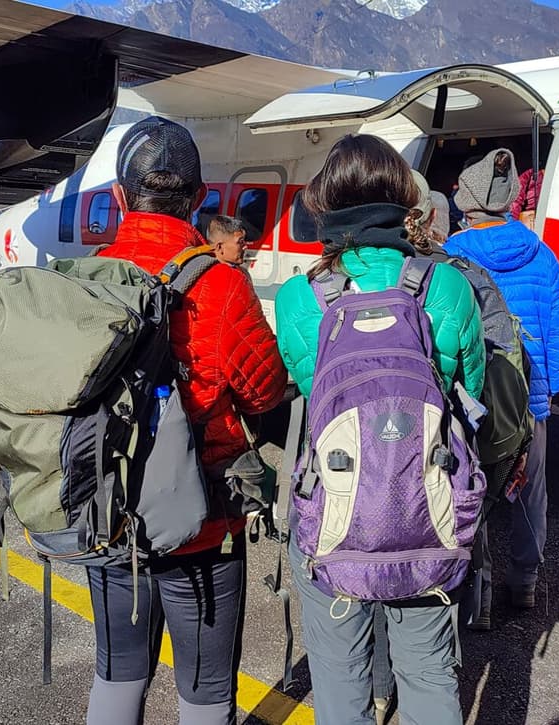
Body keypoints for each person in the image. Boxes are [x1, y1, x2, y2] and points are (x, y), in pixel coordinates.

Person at [274, 134, 485, 725]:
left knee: (339, 681)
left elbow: (310, 388)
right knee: (428, 673)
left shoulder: (300, 298)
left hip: (336, 513)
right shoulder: (444, 286)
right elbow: (474, 387)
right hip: (426, 508)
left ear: (325, 202)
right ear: (402, 197)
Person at [87, 116, 287, 725]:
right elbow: (263, 391)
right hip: (202, 521)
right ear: (200, 198)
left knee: (117, 675)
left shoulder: (87, 276)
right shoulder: (224, 284)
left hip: (108, 510)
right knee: (204, 691)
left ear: (121, 197)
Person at [443, 148, 559, 611]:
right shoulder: (541, 254)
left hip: (474, 399)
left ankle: (469, 591)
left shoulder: (450, 259)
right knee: (530, 493)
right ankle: (523, 584)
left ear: (468, 203)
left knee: (468, 487)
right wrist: (547, 389)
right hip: (531, 398)